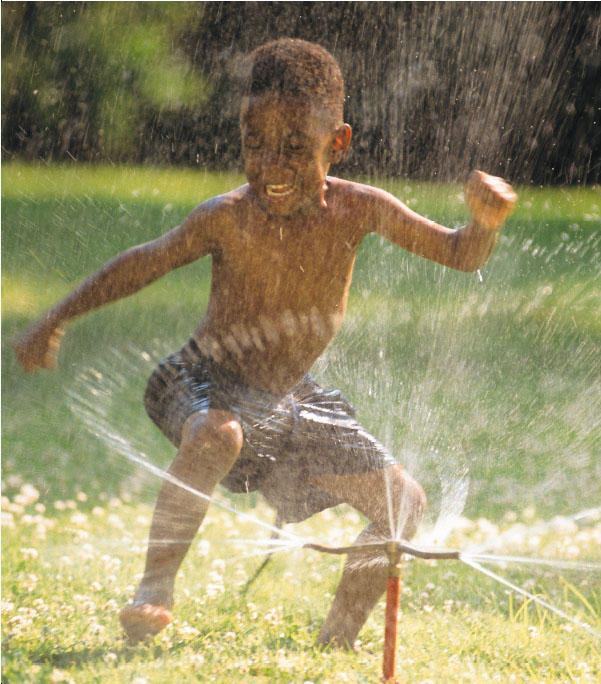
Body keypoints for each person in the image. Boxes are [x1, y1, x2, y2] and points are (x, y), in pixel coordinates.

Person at [14, 38, 517, 648]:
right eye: (254, 145)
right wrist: (56, 318)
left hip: (288, 402)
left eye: (294, 148)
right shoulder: (227, 216)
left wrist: (485, 223)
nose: (270, 165)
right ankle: (154, 587)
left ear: (338, 144)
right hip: (201, 382)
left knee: (403, 503)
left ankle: (338, 640)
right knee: (218, 433)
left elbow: (459, 253)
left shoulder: (360, 210)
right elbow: (146, 262)